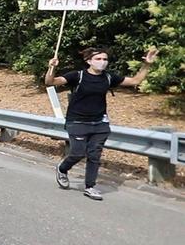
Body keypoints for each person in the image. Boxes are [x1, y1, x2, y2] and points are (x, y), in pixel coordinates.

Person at [46, 46, 158, 200]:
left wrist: (147, 64)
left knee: (94, 156)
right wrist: (51, 67)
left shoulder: (109, 77)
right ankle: (62, 168)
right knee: (78, 152)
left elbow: (135, 80)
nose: (102, 62)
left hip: (100, 124)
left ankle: (90, 187)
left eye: (105, 59)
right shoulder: (77, 76)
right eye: (98, 59)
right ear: (88, 61)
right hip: (77, 122)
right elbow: (50, 82)